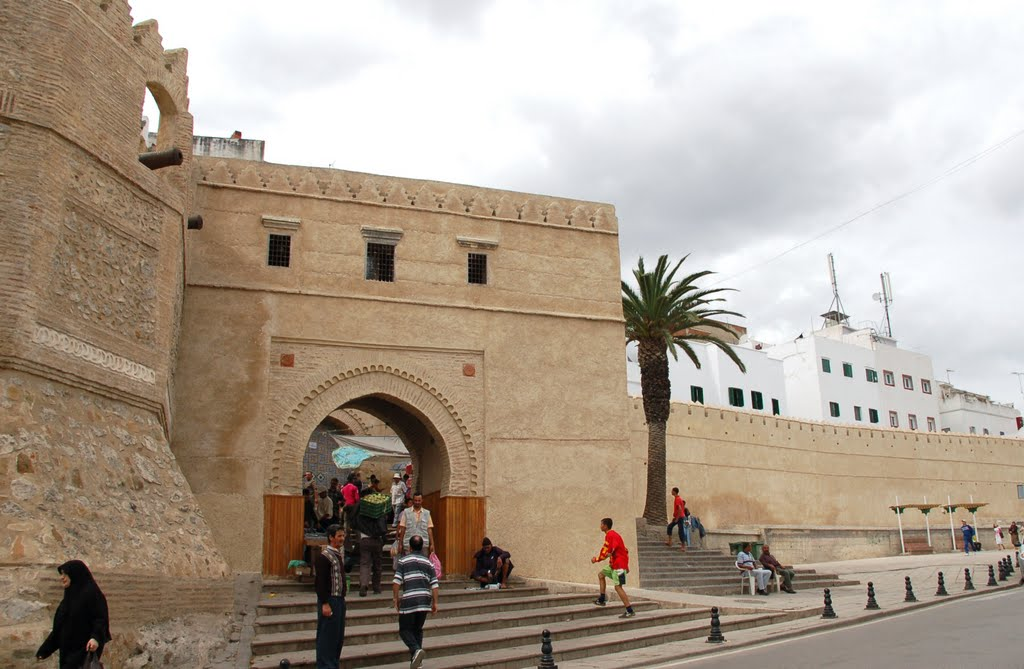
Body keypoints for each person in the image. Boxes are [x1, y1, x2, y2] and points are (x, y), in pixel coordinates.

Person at [36, 560, 112, 669]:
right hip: (67, 652)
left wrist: (95, 638)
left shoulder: (92, 594)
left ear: (76, 575)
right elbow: (60, 628)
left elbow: (100, 619)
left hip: (83, 650)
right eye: (61, 574)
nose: (62, 577)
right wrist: (44, 651)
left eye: (65, 574)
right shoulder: (68, 599)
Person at [393, 535, 439, 669]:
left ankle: (415, 650)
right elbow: (434, 584)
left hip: (409, 599)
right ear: (422, 547)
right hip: (425, 600)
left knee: (404, 629)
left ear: (410, 547)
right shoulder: (428, 562)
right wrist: (435, 602)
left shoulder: (403, 561)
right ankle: (417, 661)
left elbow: (396, 582)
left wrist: (395, 598)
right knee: (417, 629)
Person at [314, 524, 347, 669]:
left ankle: (333, 663)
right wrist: (325, 603)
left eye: (343, 535)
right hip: (330, 600)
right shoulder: (324, 557)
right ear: (331, 537)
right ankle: (325, 665)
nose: (342, 539)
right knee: (327, 635)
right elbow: (320, 582)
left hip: (339, 599)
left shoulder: (338, 554)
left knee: (337, 636)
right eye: (339, 536)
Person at [591, 517, 636, 618]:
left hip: (619, 566)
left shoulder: (610, 535)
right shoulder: (613, 535)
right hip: (614, 564)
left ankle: (629, 610)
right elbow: (625, 550)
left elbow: (607, 552)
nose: (600, 526)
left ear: (605, 526)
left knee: (618, 587)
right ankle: (602, 599)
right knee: (601, 575)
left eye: (601, 524)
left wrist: (596, 559)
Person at [355, 478, 392, 596]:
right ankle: (376, 587)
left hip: (364, 539)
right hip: (376, 540)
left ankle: (364, 585)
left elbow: (354, 520)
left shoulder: (360, 509)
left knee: (365, 563)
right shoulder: (378, 509)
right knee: (377, 565)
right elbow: (383, 524)